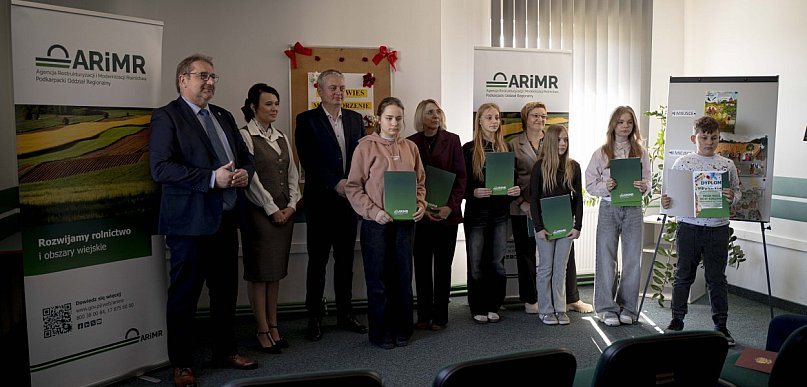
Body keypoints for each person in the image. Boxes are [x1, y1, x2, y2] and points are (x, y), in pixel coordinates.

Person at [149, 54, 257, 387]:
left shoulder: (223, 116)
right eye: (203, 76)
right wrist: (212, 179)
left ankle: (225, 350)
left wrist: (243, 175)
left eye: (213, 76)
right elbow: (161, 168)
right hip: (189, 226)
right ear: (183, 79)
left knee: (225, 293)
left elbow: (246, 158)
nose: (210, 82)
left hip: (225, 221)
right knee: (184, 297)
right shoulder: (167, 117)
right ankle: (181, 363)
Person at [345, 96, 427, 349]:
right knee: (378, 279)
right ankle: (381, 333)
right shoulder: (365, 147)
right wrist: (372, 212)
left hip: (404, 224)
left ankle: (403, 329)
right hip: (376, 224)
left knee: (403, 277)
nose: (394, 123)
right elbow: (353, 187)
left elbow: (420, 183)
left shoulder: (410, 148)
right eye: (389, 118)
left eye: (398, 119)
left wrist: (420, 205)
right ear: (379, 119)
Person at [295, 69, 367, 341]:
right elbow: (308, 159)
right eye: (333, 88)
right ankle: (314, 316)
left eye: (342, 88)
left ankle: (345, 313)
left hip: (349, 203)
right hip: (321, 201)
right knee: (318, 261)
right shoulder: (306, 120)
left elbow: (360, 157)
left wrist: (354, 185)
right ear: (320, 91)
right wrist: (335, 183)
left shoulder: (355, 119)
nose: (339, 92)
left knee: (346, 261)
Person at [661, 115, 741, 346]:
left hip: (717, 229)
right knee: (683, 275)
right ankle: (677, 320)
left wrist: (733, 197)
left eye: (714, 138)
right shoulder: (683, 163)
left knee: (717, 279)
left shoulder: (727, 165)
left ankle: (721, 326)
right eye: (704, 137)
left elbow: (738, 192)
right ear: (693, 137)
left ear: (719, 138)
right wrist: (666, 202)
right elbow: (671, 197)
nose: (709, 142)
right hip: (689, 228)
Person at [508, 102, 593, 315]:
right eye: (535, 115)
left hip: (556, 209)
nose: (540, 119)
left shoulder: (555, 138)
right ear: (525, 118)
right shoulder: (513, 144)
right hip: (524, 207)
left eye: (543, 116)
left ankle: (570, 298)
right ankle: (531, 300)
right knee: (527, 254)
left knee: (565, 255)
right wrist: (523, 203)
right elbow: (509, 177)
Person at [238, 83, 300, 353]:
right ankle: (262, 329)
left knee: (275, 273)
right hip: (259, 214)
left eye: (276, 103)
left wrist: (293, 205)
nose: (274, 108)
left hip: (285, 213)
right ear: (253, 107)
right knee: (259, 274)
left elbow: (293, 175)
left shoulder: (282, 137)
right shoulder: (244, 136)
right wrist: (271, 207)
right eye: (268, 104)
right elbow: (250, 178)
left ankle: (274, 325)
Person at [585, 106, 651, 326]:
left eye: (629, 122)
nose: (625, 126)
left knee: (632, 259)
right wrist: (607, 185)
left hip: (633, 208)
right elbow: (590, 184)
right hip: (608, 208)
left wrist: (644, 186)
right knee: (606, 258)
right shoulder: (601, 153)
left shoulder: (640, 152)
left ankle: (628, 308)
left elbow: (648, 181)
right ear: (613, 124)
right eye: (621, 122)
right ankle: (606, 308)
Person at [408, 99, 467, 331]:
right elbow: (409, 178)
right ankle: (423, 314)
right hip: (420, 216)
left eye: (438, 112)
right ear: (421, 116)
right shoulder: (410, 142)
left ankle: (440, 315)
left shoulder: (452, 140)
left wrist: (449, 207)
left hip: (446, 216)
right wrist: (420, 206)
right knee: (421, 267)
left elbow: (461, 178)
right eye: (430, 112)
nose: (436, 115)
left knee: (443, 267)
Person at [463, 103, 521, 324]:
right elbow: (463, 184)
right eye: (489, 117)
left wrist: (515, 190)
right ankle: (477, 306)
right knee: (476, 262)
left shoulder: (506, 149)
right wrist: (473, 192)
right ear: (479, 121)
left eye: (497, 117)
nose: (494, 121)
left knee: (496, 262)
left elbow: (513, 182)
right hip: (476, 214)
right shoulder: (468, 149)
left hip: (499, 213)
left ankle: (493, 304)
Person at [530, 124, 583, 326]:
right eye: (559, 140)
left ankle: (560, 309)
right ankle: (545, 310)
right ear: (551, 141)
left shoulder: (573, 167)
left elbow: (578, 199)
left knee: (561, 268)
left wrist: (577, 227)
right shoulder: (539, 167)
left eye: (566, 140)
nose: (563, 143)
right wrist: (538, 227)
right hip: (545, 227)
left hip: (566, 226)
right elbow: (533, 199)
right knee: (545, 269)